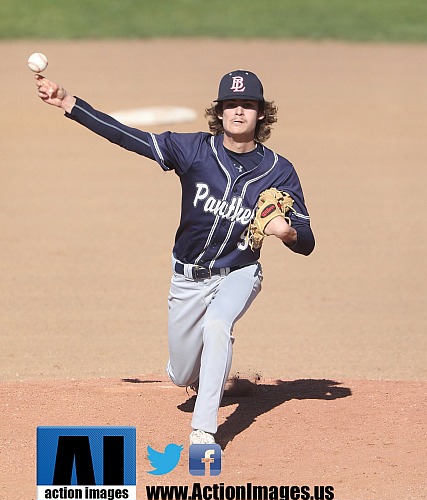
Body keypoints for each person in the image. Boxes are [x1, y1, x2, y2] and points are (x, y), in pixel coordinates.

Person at [35, 69, 315, 447]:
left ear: (261, 113)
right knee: (182, 375)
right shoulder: (194, 150)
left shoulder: (280, 172)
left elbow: (307, 241)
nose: (238, 111)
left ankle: (204, 431)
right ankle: (206, 376)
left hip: (240, 272)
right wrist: (70, 103)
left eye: (247, 105)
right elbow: (129, 137)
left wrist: (288, 233)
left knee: (217, 326)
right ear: (219, 111)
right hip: (187, 277)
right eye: (230, 104)